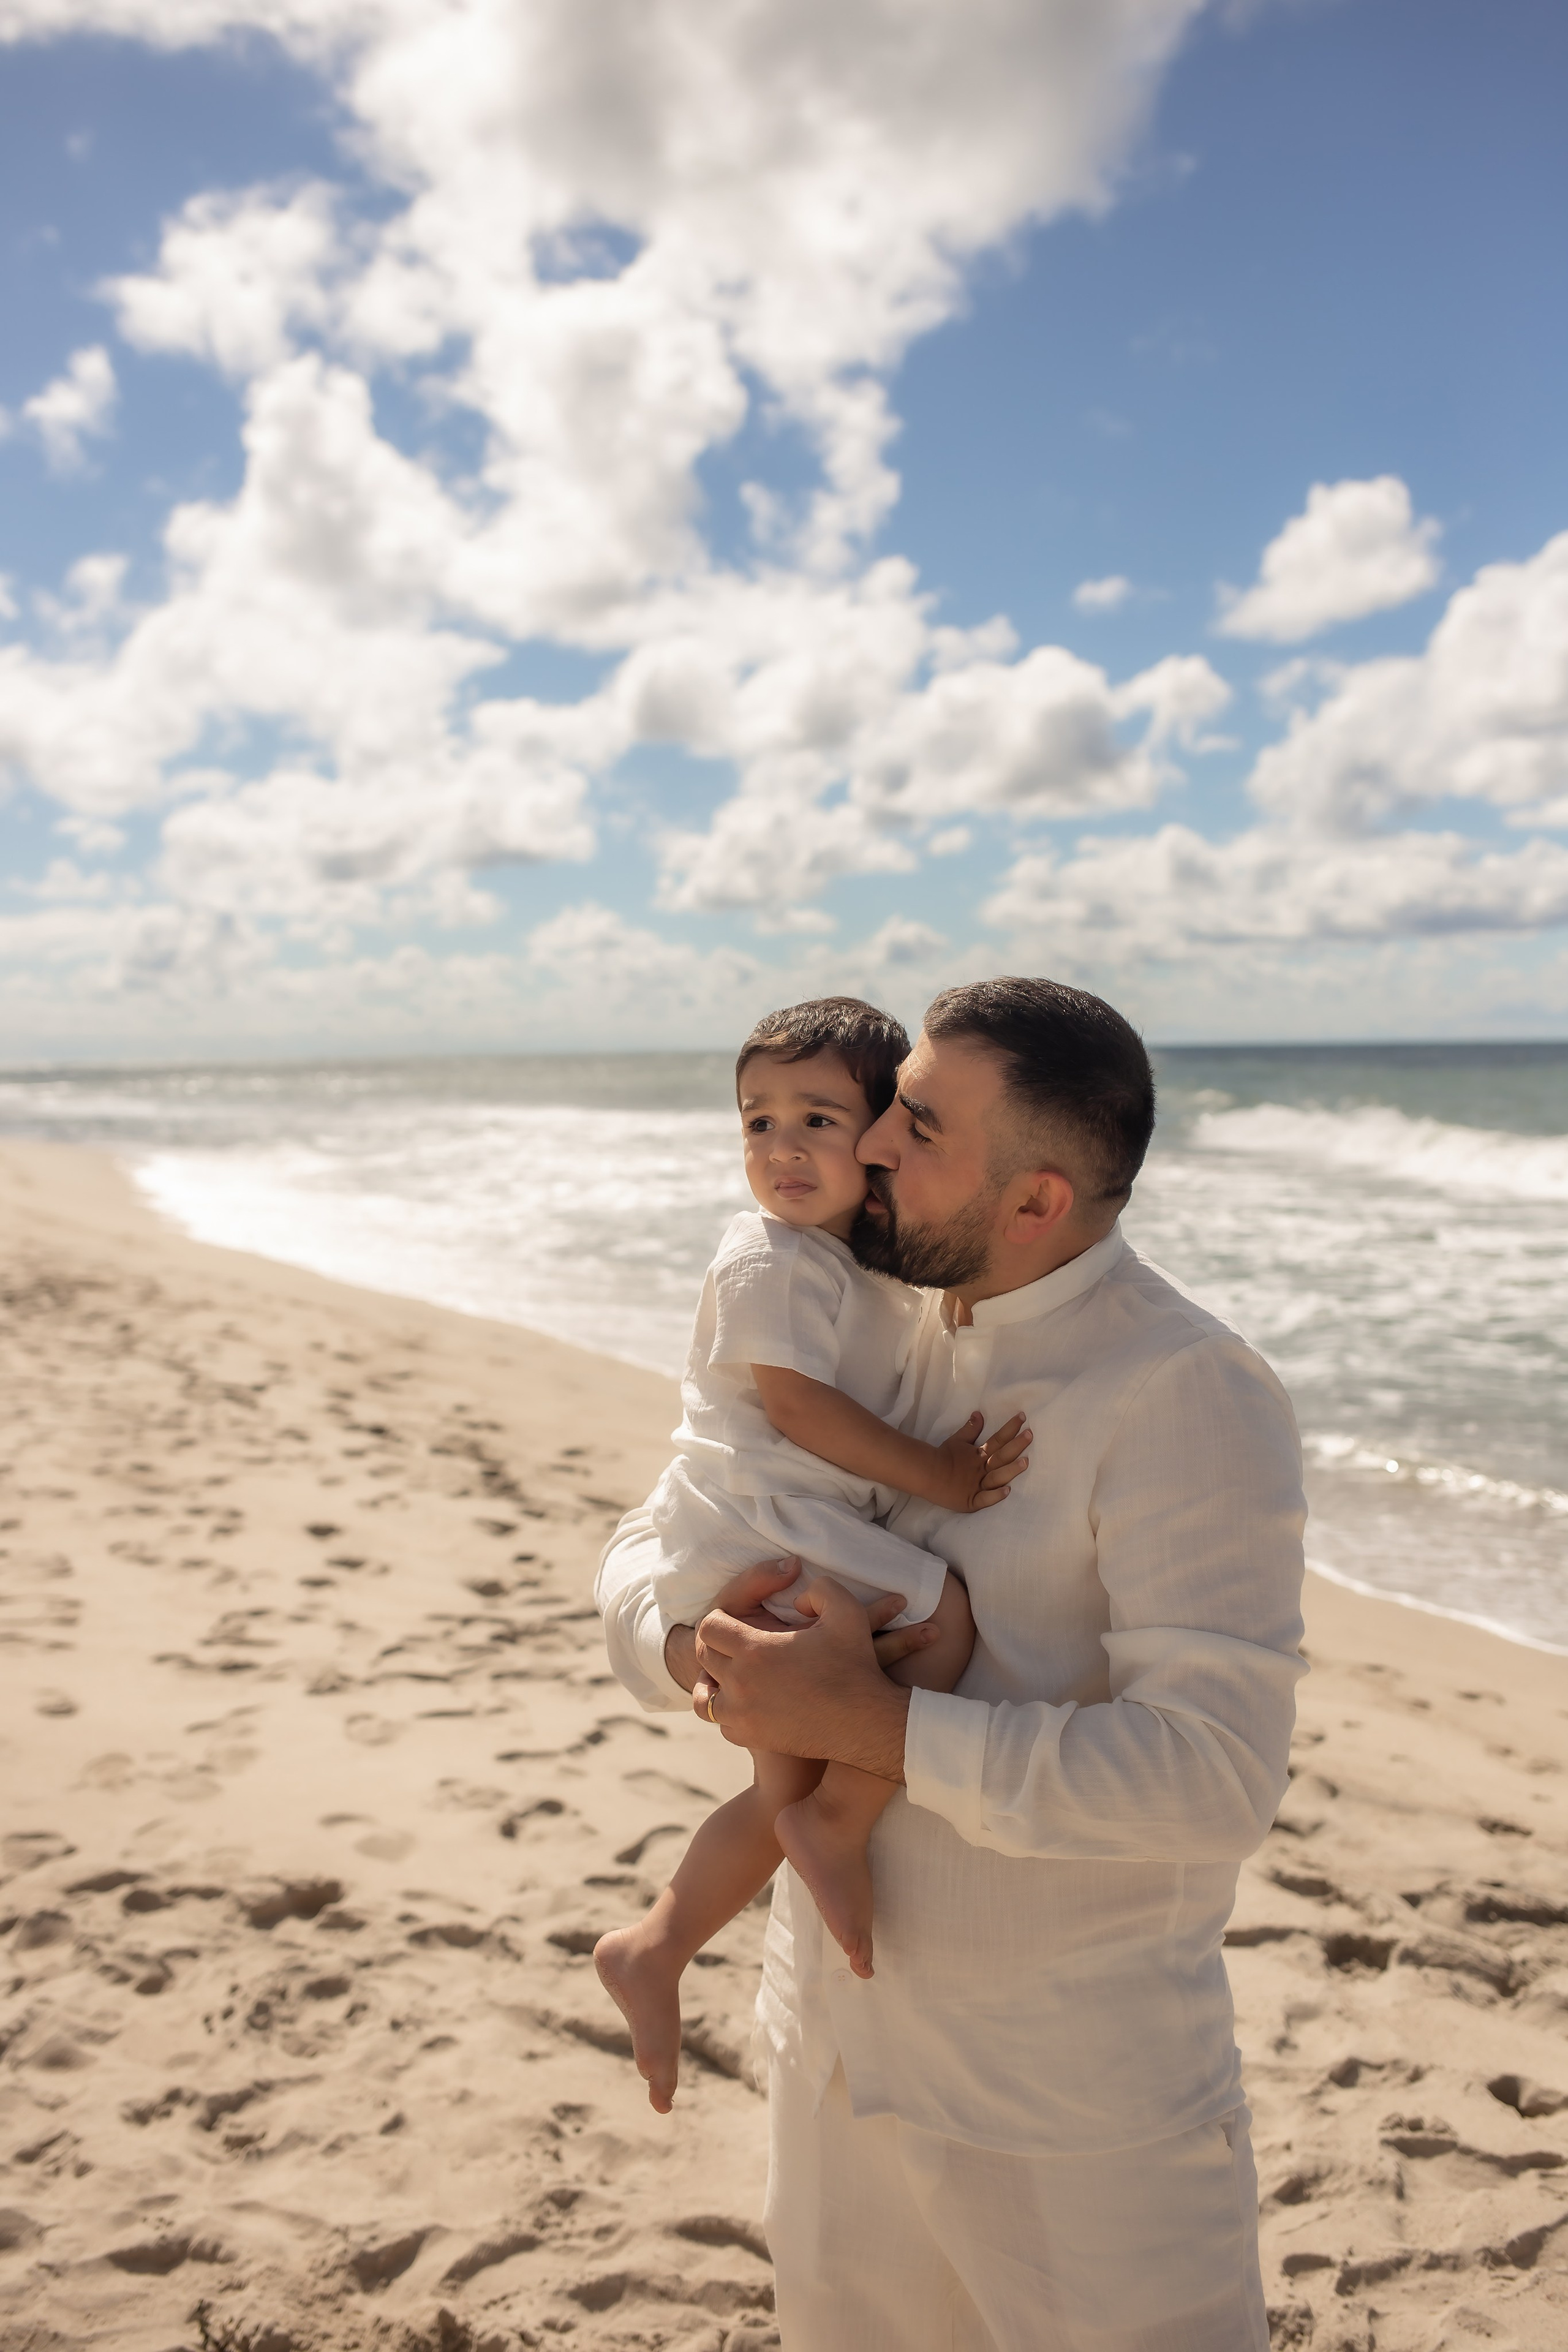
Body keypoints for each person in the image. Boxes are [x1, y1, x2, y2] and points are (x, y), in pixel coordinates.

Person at [596, 975, 1307, 2352]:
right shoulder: (873, 1316)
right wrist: (691, 1646)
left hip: (1060, 2103)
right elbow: (656, 1527)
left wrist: (874, 1729)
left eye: (914, 1128)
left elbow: (1212, 1779)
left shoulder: (1185, 1392)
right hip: (829, 2043)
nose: (867, 1148)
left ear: (1035, 1202)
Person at [595, 996, 1028, 2113]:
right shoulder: (772, 1257)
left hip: (770, 1524)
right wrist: (933, 1476)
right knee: (943, 1619)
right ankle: (841, 1818)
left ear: (883, 1132)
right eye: (757, 1124)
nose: (781, 1149)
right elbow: (792, 1406)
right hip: (760, 1520)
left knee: (776, 1776)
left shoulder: (857, 1268)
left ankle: (657, 1942)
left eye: (818, 1121)